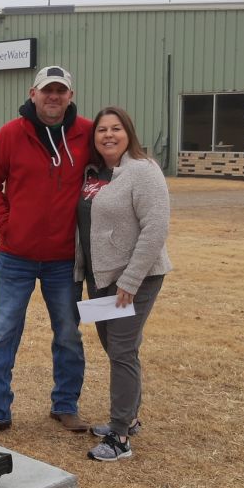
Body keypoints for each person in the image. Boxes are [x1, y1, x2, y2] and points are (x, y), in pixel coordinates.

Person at [0, 65, 93, 437]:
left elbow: (113, 167)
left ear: (70, 95)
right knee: (2, 334)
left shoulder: (86, 133)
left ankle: (66, 405)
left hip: (63, 261)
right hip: (15, 258)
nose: (53, 97)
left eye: (61, 90)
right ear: (32, 93)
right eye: (46, 90)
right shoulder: (11, 134)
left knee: (69, 334)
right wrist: (7, 225)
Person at [74, 106, 172, 461]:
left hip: (136, 278)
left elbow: (155, 228)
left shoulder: (143, 171)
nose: (108, 135)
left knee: (122, 349)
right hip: (100, 277)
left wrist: (130, 279)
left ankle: (119, 437)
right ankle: (128, 418)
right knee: (115, 348)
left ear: (128, 133)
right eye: (102, 130)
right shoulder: (95, 173)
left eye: (116, 129)